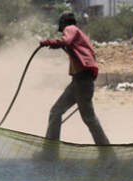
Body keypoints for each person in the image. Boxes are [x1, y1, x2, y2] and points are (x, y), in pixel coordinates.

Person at [40, 12, 110, 145]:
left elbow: (65, 40)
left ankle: (107, 152)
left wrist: (48, 41)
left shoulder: (70, 28)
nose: (62, 31)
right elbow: (67, 44)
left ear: (63, 23)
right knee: (56, 112)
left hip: (82, 81)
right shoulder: (78, 35)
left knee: (88, 118)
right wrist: (56, 45)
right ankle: (50, 151)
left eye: (61, 27)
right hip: (78, 81)